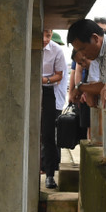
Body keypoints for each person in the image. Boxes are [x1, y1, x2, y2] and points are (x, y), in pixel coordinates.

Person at [41, 29, 67, 189]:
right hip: (31, 90)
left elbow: (60, 75)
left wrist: (44, 79)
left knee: (49, 135)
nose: (44, 39)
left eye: (48, 35)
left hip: (50, 92)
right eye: (42, 34)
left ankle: (50, 174)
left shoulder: (57, 50)